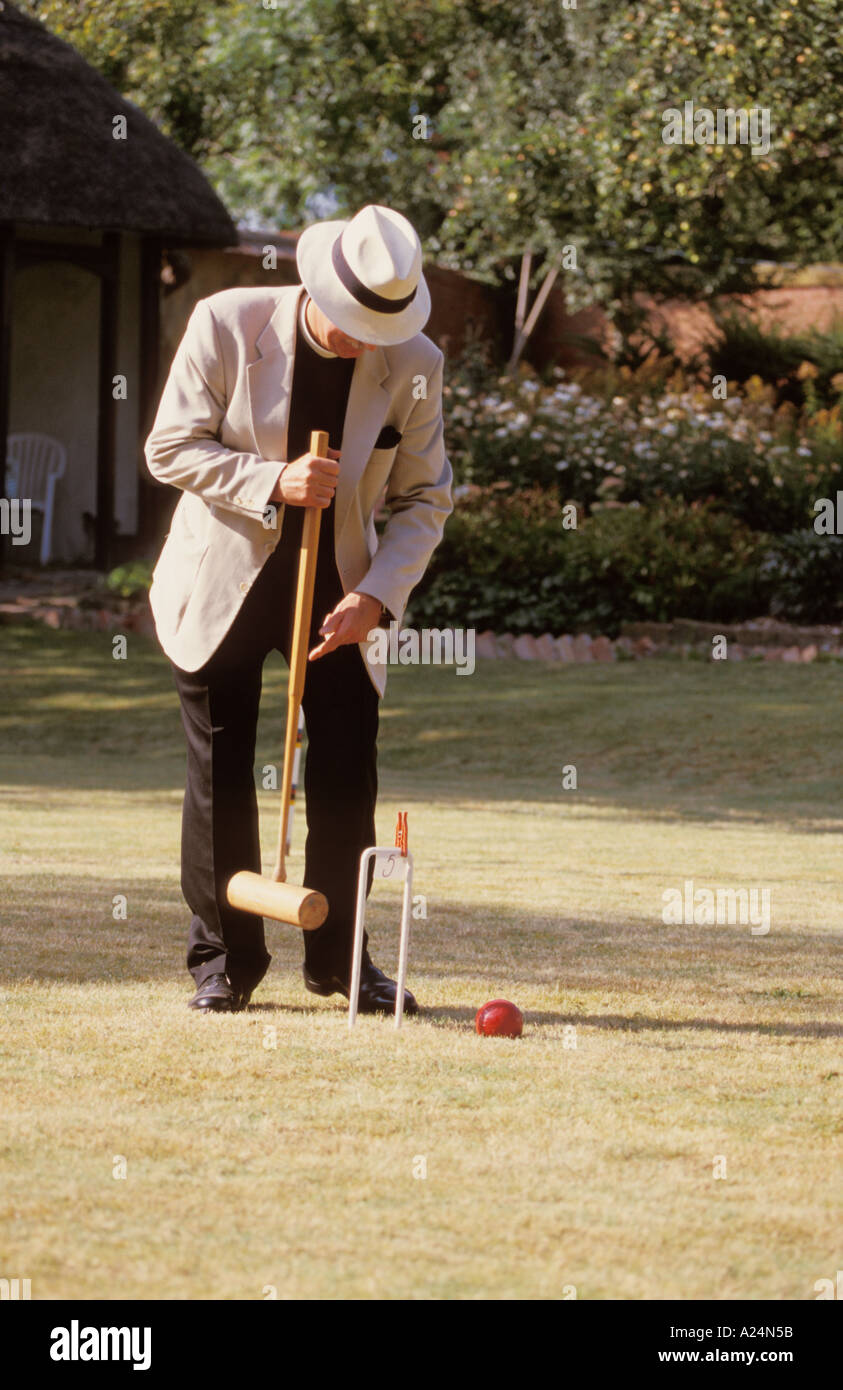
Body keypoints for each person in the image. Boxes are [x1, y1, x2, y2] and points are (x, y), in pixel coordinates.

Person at [144, 205, 452, 1015]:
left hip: (340, 591)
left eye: (377, 328)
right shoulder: (226, 322)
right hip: (223, 580)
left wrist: (377, 597)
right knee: (221, 771)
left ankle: (341, 961)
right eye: (351, 322)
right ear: (316, 285)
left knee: (348, 768)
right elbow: (169, 446)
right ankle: (224, 962)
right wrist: (268, 481)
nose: (363, 340)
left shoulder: (415, 362)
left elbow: (425, 499)